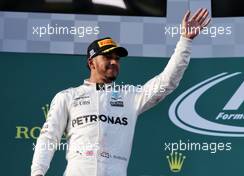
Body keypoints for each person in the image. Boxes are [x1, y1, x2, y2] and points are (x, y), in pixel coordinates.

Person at [31, 8, 211, 176]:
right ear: (91, 62)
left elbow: (167, 81)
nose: (114, 62)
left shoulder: (129, 96)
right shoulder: (67, 97)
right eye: (107, 57)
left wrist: (185, 41)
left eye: (117, 58)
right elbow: (49, 137)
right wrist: (38, 172)